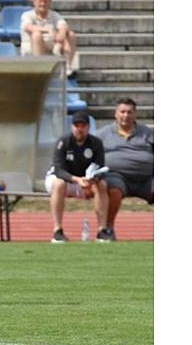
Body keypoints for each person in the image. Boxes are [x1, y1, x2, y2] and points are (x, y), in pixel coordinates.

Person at [45, 110, 111, 243]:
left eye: (83, 126)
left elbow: (100, 168)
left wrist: (92, 180)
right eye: (77, 126)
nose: (80, 129)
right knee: (59, 184)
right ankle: (57, 230)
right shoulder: (63, 142)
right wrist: (76, 179)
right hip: (64, 179)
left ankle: (102, 230)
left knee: (102, 185)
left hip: (85, 181)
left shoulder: (96, 143)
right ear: (72, 127)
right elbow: (59, 170)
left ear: (88, 127)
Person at [95, 98, 153, 241]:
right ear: (115, 114)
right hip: (117, 176)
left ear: (135, 115)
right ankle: (108, 229)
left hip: (147, 178)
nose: (126, 115)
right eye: (122, 112)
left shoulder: (149, 134)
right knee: (113, 190)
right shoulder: (102, 134)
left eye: (129, 112)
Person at [21, 0, 79, 77]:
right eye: (40, 1)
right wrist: (48, 30)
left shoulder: (54, 15)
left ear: (50, 2)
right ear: (34, 2)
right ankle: (41, 69)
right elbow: (28, 27)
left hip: (51, 47)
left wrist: (61, 34)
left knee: (71, 35)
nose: (43, 4)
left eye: (45, 1)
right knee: (36, 35)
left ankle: (67, 68)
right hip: (32, 49)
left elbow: (63, 25)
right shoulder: (27, 15)